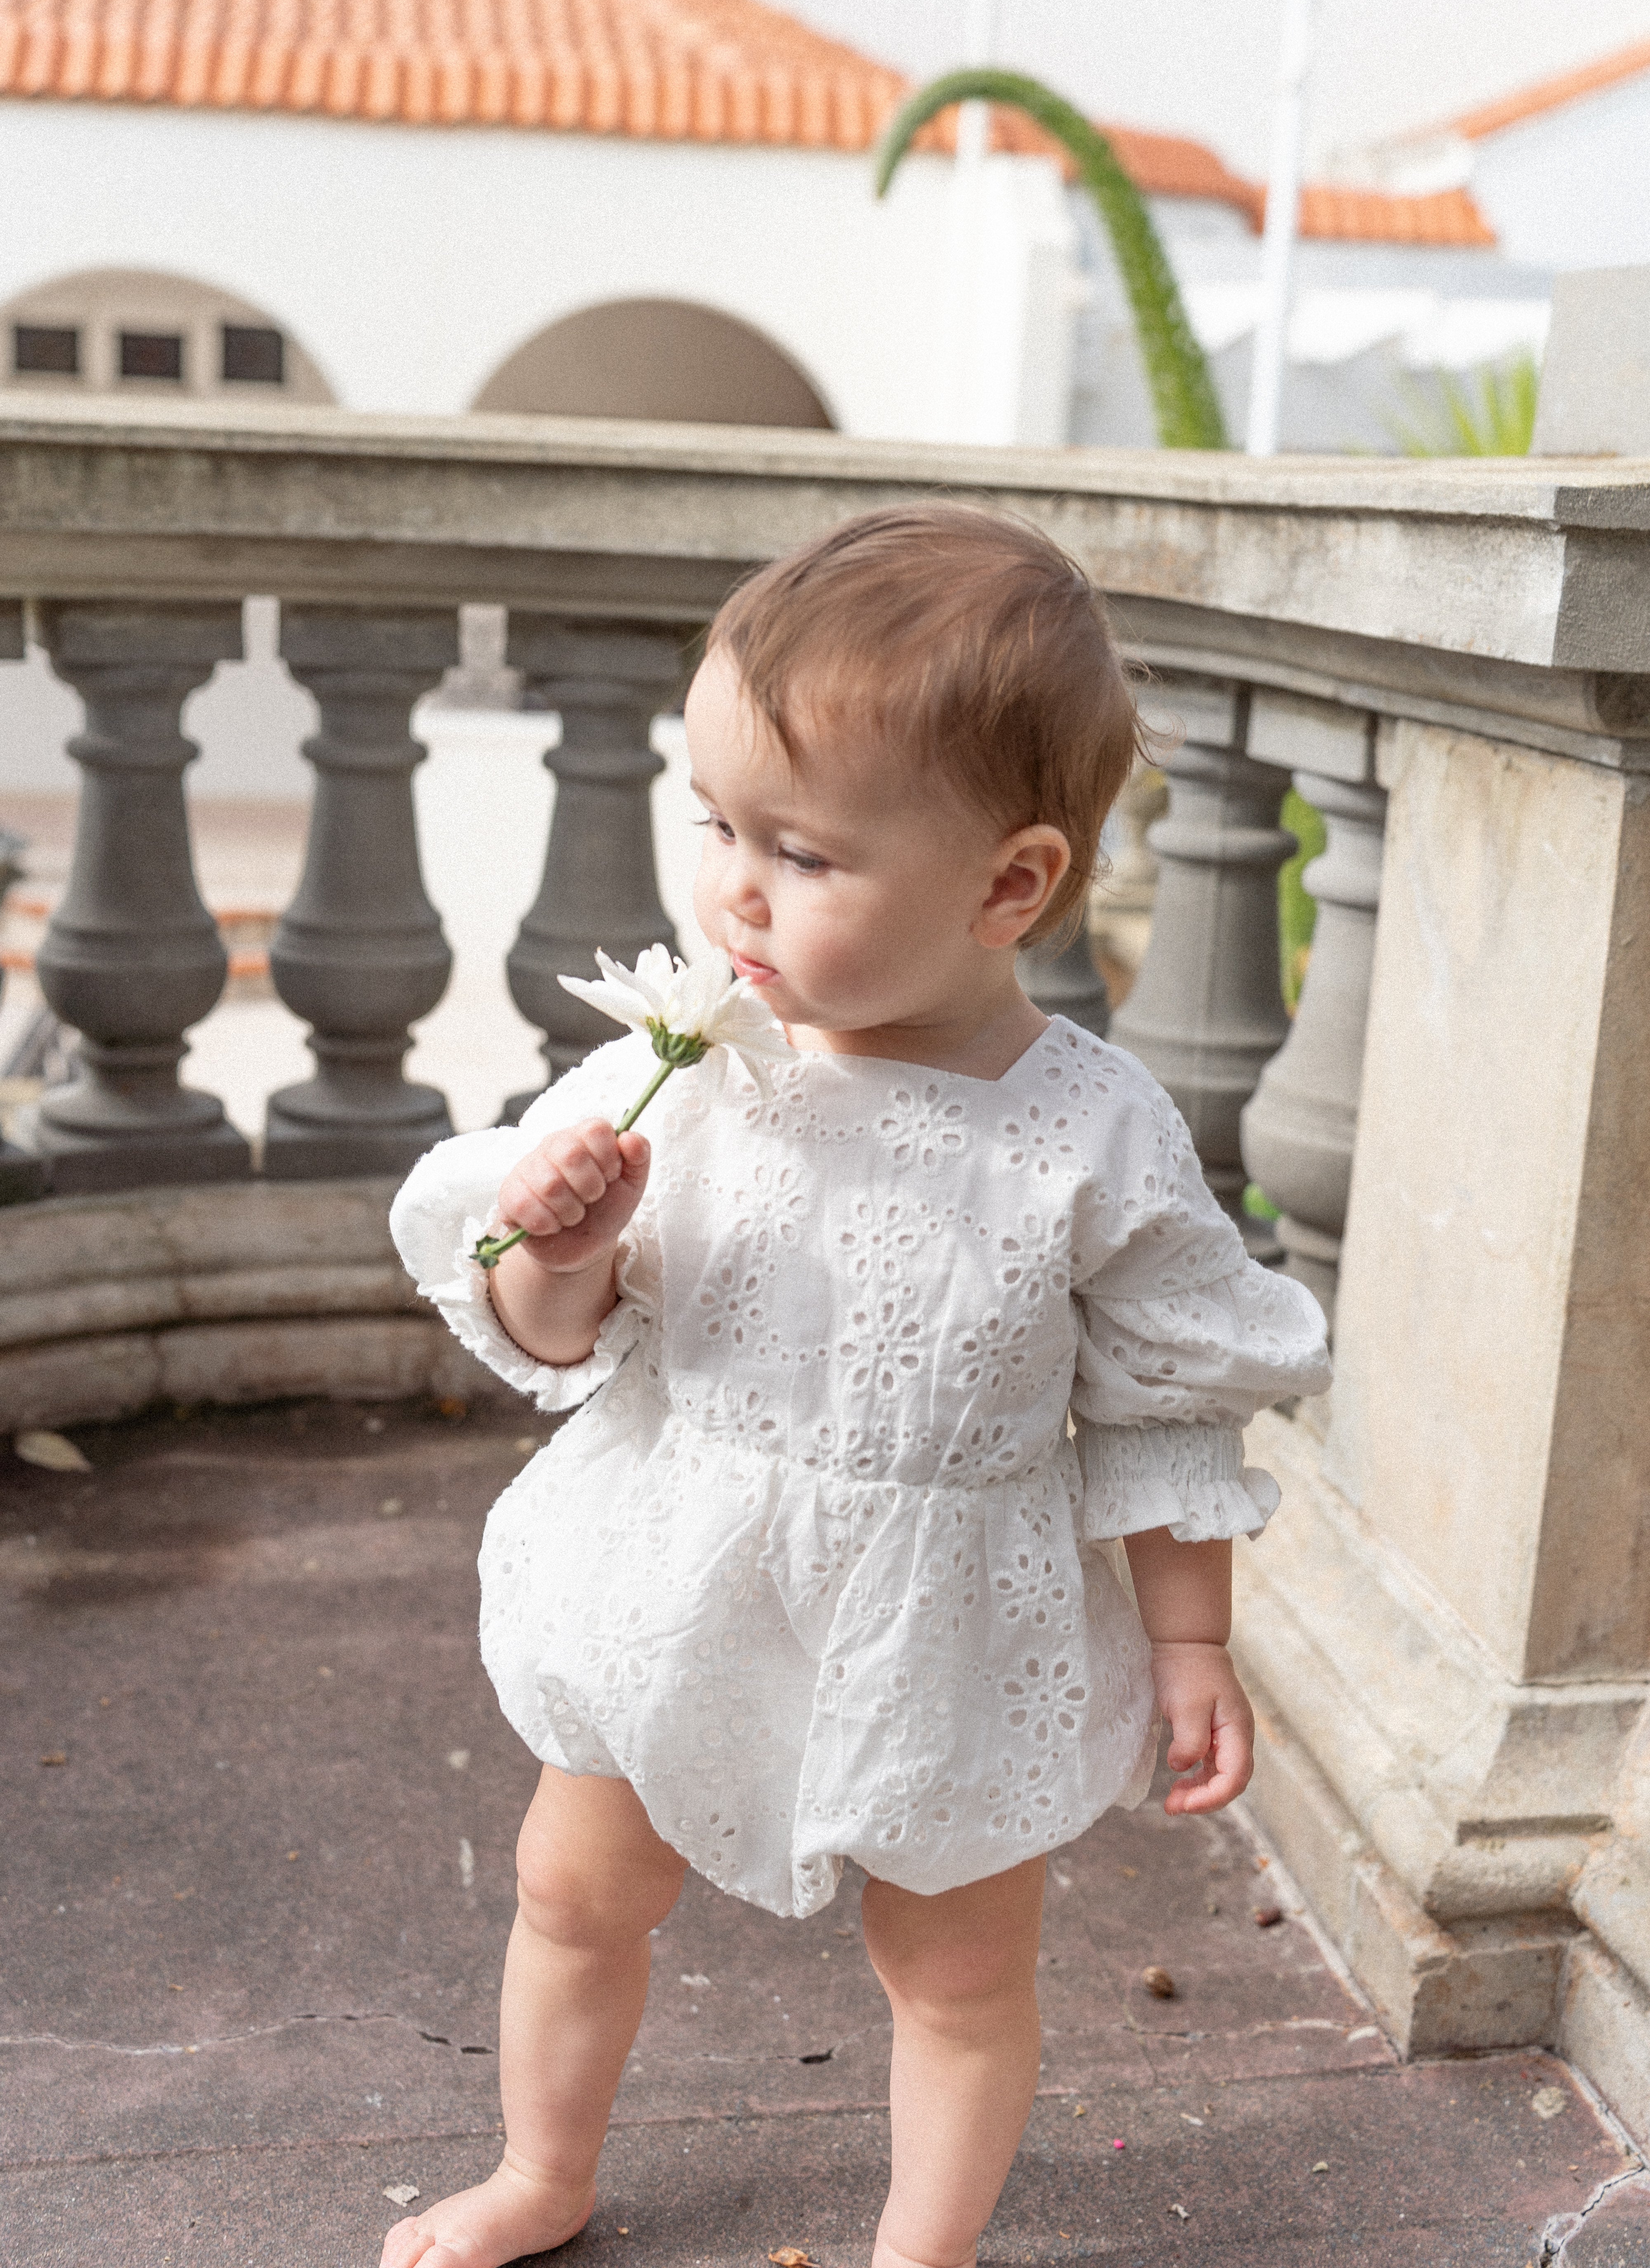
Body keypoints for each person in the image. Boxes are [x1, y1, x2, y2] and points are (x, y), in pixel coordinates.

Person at [384, 503, 1331, 2268]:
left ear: (1009, 884)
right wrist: (563, 1244)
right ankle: (543, 2169)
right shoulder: (690, 1068)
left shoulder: (1089, 1130)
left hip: (949, 1615)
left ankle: (924, 2250)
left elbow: (1164, 1401)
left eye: (804, 855)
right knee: (575, 1894)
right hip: (677, 1568)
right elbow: (549, 1335)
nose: (734, 889)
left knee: (959, 1977)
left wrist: (1188, 1643)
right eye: (716, 827)